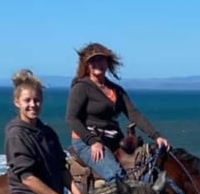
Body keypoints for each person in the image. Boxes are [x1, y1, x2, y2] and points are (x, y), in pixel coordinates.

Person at [66, 42, 171, 182]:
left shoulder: (116, 90)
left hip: (113, 138)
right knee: (117, 177)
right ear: (86, 65)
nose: (98, 63)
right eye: (93, 60)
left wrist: (157, 136)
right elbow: (72, 119)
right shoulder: (81, 87)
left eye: (101, 59)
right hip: (86, 141)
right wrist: (93, 142)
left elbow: (133, 114)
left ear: (108, 62)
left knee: (148, 166)